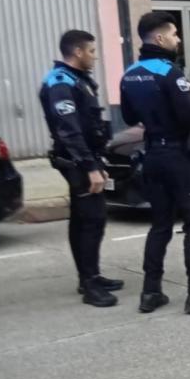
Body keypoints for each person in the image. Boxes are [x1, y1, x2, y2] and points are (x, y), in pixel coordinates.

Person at [120, 12, 190, 315]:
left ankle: (150, 292)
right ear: (159, 38)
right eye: (173, 34)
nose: (178, 39)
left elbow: (130, 117)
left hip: (153, 156)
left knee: (160, 224)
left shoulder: (130, 74)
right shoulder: (170, 72)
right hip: (180, 158)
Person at [38, 30, 122, 307]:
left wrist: (98, 162)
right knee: (90, 221)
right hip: (76, 161)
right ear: (77, 52)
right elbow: (69, 130)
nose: (95, 57)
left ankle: (91, 276)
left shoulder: (76, 79)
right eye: (92, 51)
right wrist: (90, 167)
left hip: (86, 159)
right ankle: (89, 285)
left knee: (87, 219)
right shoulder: (60, 83)